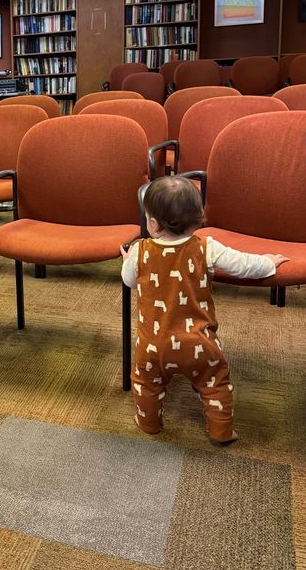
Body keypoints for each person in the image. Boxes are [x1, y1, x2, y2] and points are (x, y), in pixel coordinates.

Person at [120, 176, 288, 444]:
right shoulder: (206, 247)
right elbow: (244, 265)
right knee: (215, 382)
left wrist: (129, 261)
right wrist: (268, 262)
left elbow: (128, 281)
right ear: (197, 218)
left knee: (146, 383)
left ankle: (149, 423)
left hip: (152, 344)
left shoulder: (140, 251)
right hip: (198, 341)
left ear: (152, 223)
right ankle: (221, 430)